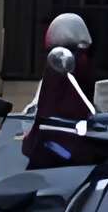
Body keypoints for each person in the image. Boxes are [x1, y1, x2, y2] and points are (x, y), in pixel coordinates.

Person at [23, 11, 96, 166]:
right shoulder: (81, 59)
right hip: (74, 131)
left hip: (58, 134)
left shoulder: (61, 59)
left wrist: (34, 132)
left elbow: (49, 96)